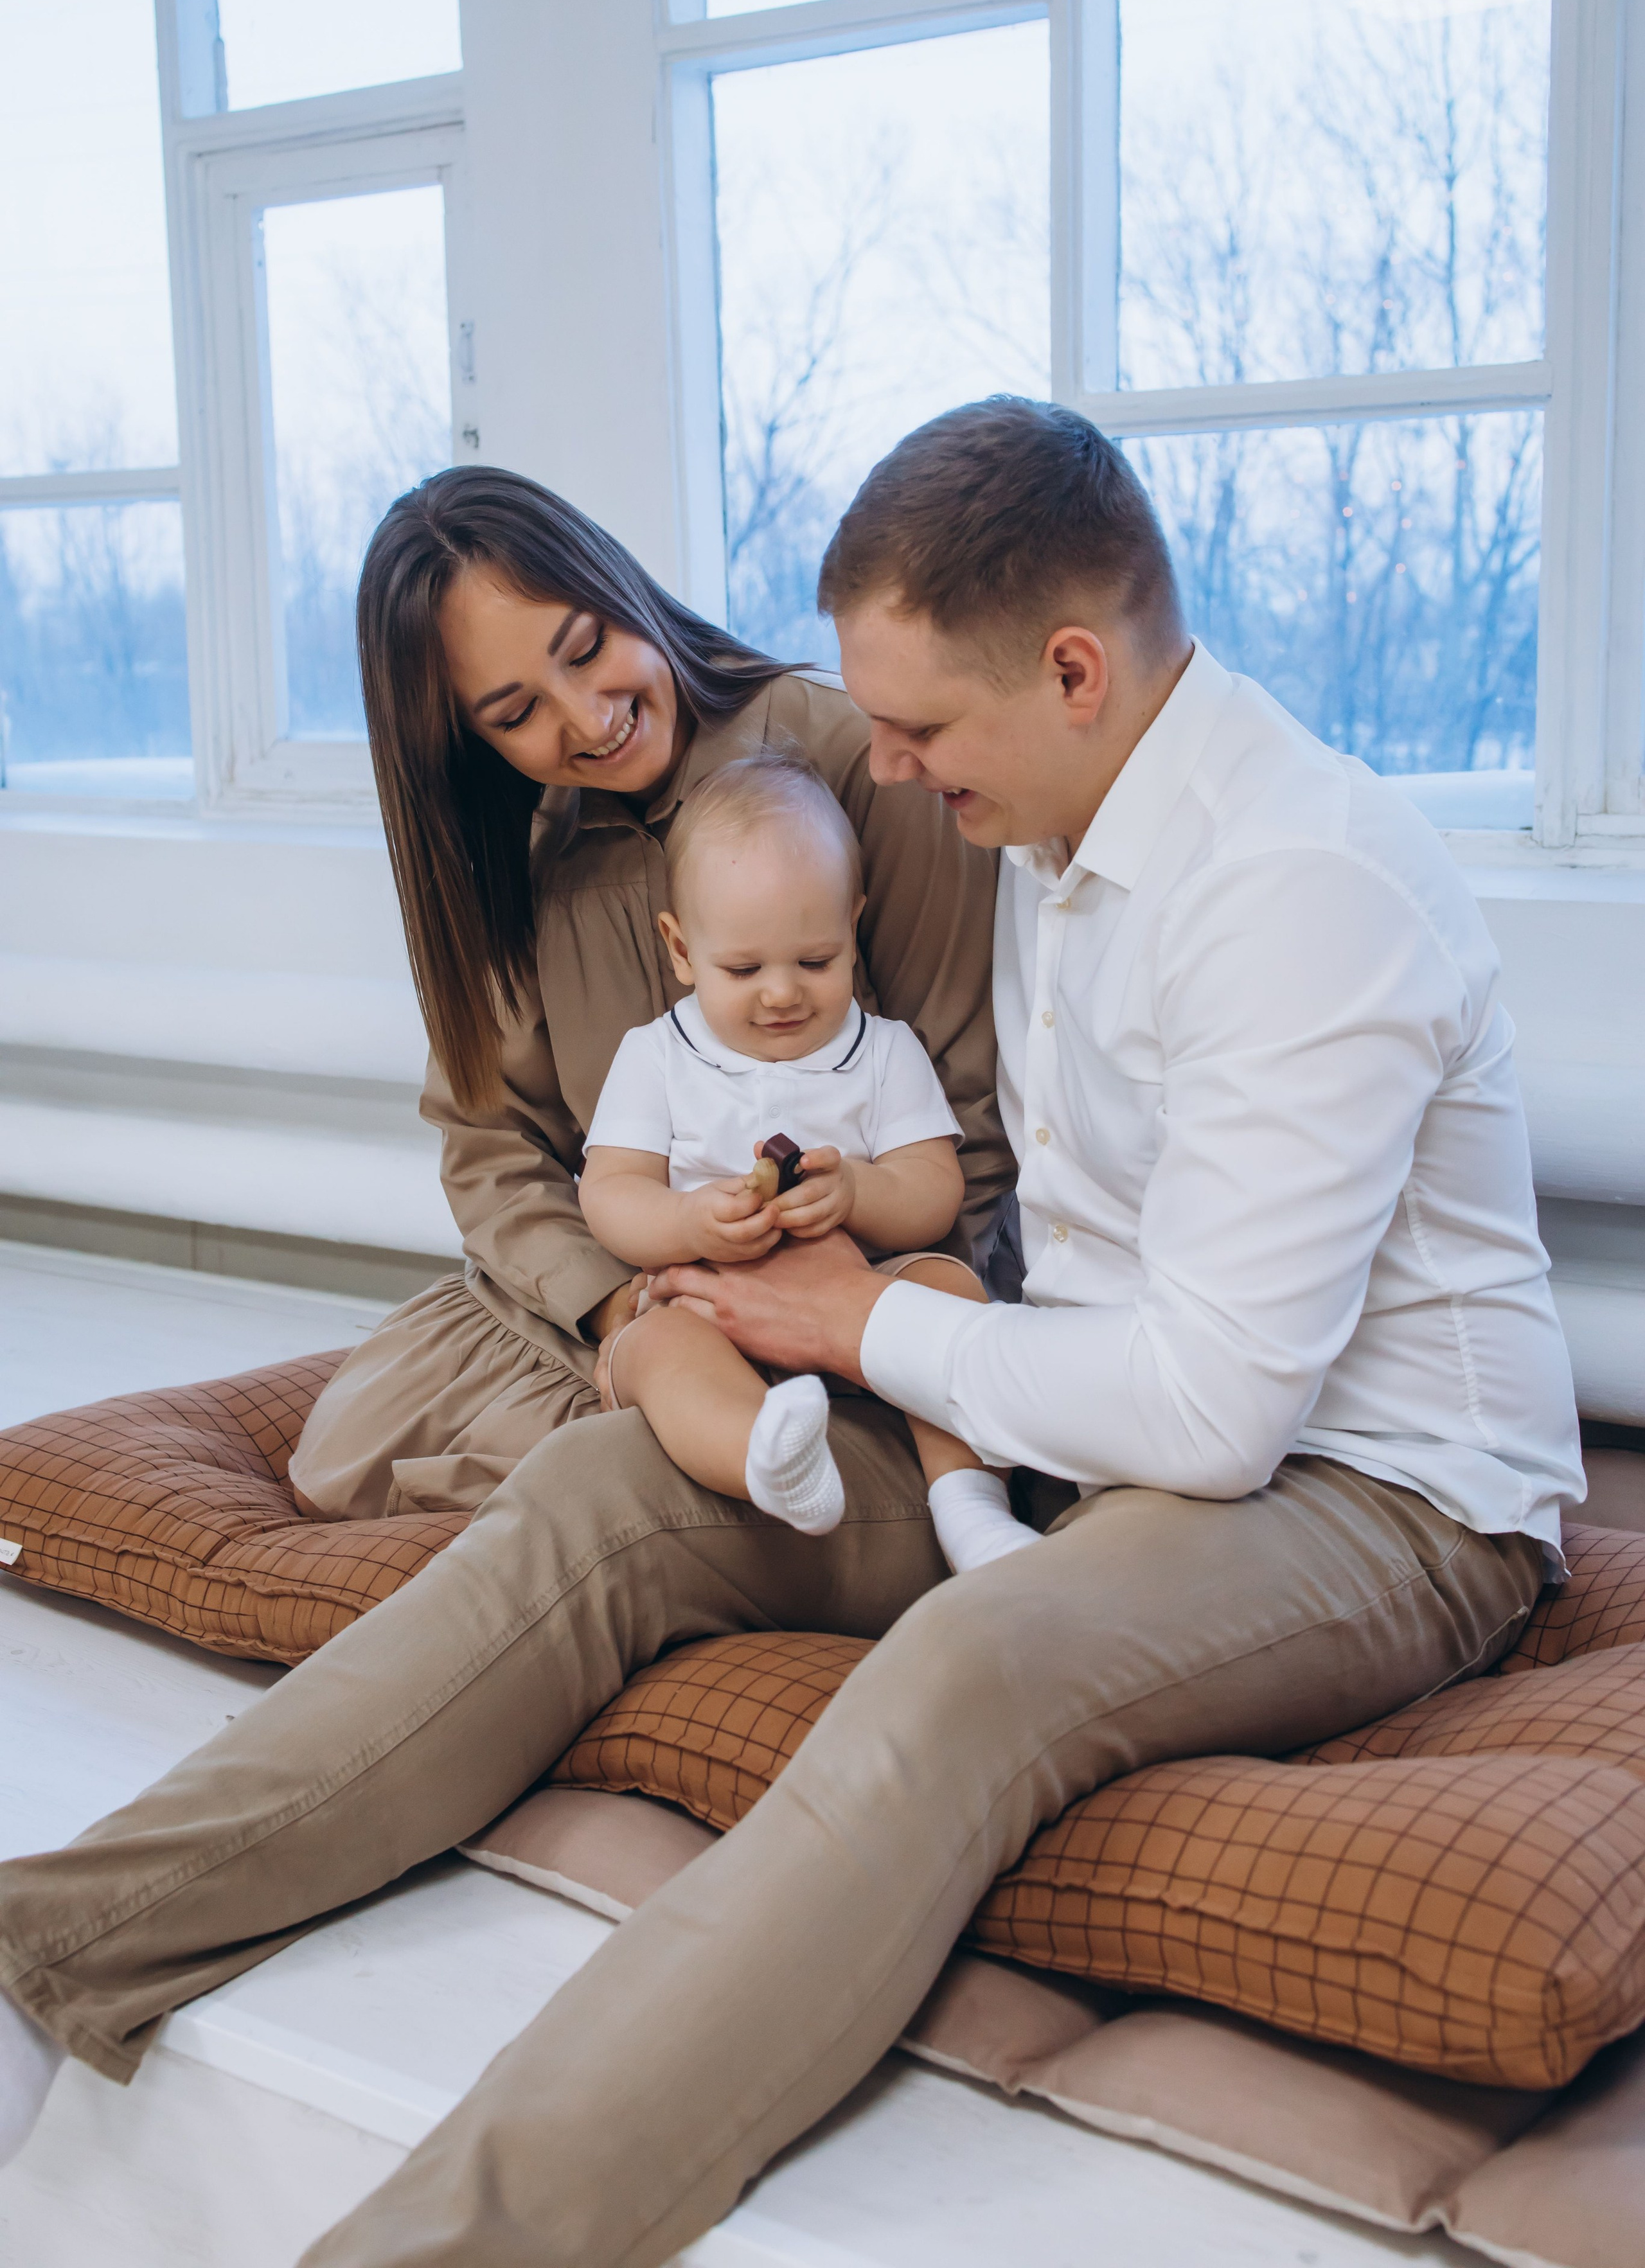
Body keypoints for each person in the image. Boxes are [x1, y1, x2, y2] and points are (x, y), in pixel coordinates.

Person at [0, 402, 1581, 2268]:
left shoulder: (1300, 885)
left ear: (1072, 669)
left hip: (1371, 1492)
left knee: (963, 1670)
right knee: (603, 1490)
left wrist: (854, 1317)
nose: (886, 770)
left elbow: (1216, 1409)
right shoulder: (1059, 826)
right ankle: (53, 1938)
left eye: (913, 728)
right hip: (1064, 1424)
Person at [275, 465, 1009, 1523]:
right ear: (469, 744)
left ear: (622, 590)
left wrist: (836, 1294)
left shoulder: (856, 764)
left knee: (641, 1495)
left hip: (866, 1288)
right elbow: (492, 1153)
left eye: (586, 648)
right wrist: (622, 1299)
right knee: (347, 1455)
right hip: (650, 1296)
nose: (590, 718)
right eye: (517, 711)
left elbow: (969, 1122)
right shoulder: (524, 852)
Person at [580, 750, 1038, 1569]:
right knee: (655, 1350)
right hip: (711, 1315)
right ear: (681, 950)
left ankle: (970, 1508)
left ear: (853, 927)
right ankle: (765, 1457)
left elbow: (935, 1190)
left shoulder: (885, 1052)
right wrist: (689, 1219)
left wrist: (857, 1191)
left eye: (816, 962)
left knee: (950, 1288)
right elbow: (610, 1194)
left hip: (864, 1314)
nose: (783, 994)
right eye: (744, 969)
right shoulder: (654, 1057)